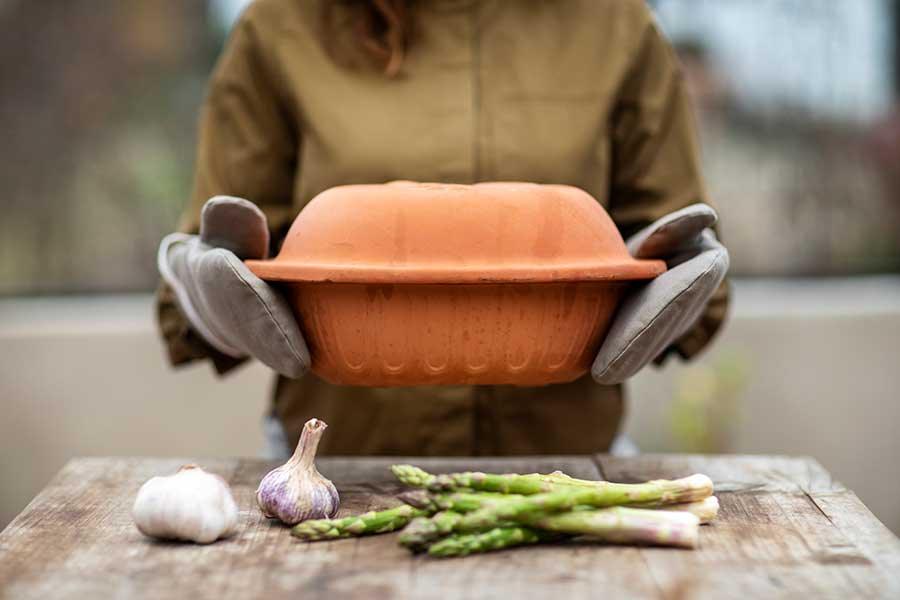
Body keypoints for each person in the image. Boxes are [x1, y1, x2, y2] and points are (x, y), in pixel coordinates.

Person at [156, 0, 730, 457]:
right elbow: (209, 272)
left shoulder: (613, 21)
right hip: (334, 472)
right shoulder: (285, 23)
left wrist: (663, 279)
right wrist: (209, 288)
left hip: (569, 472)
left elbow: (673, 247)